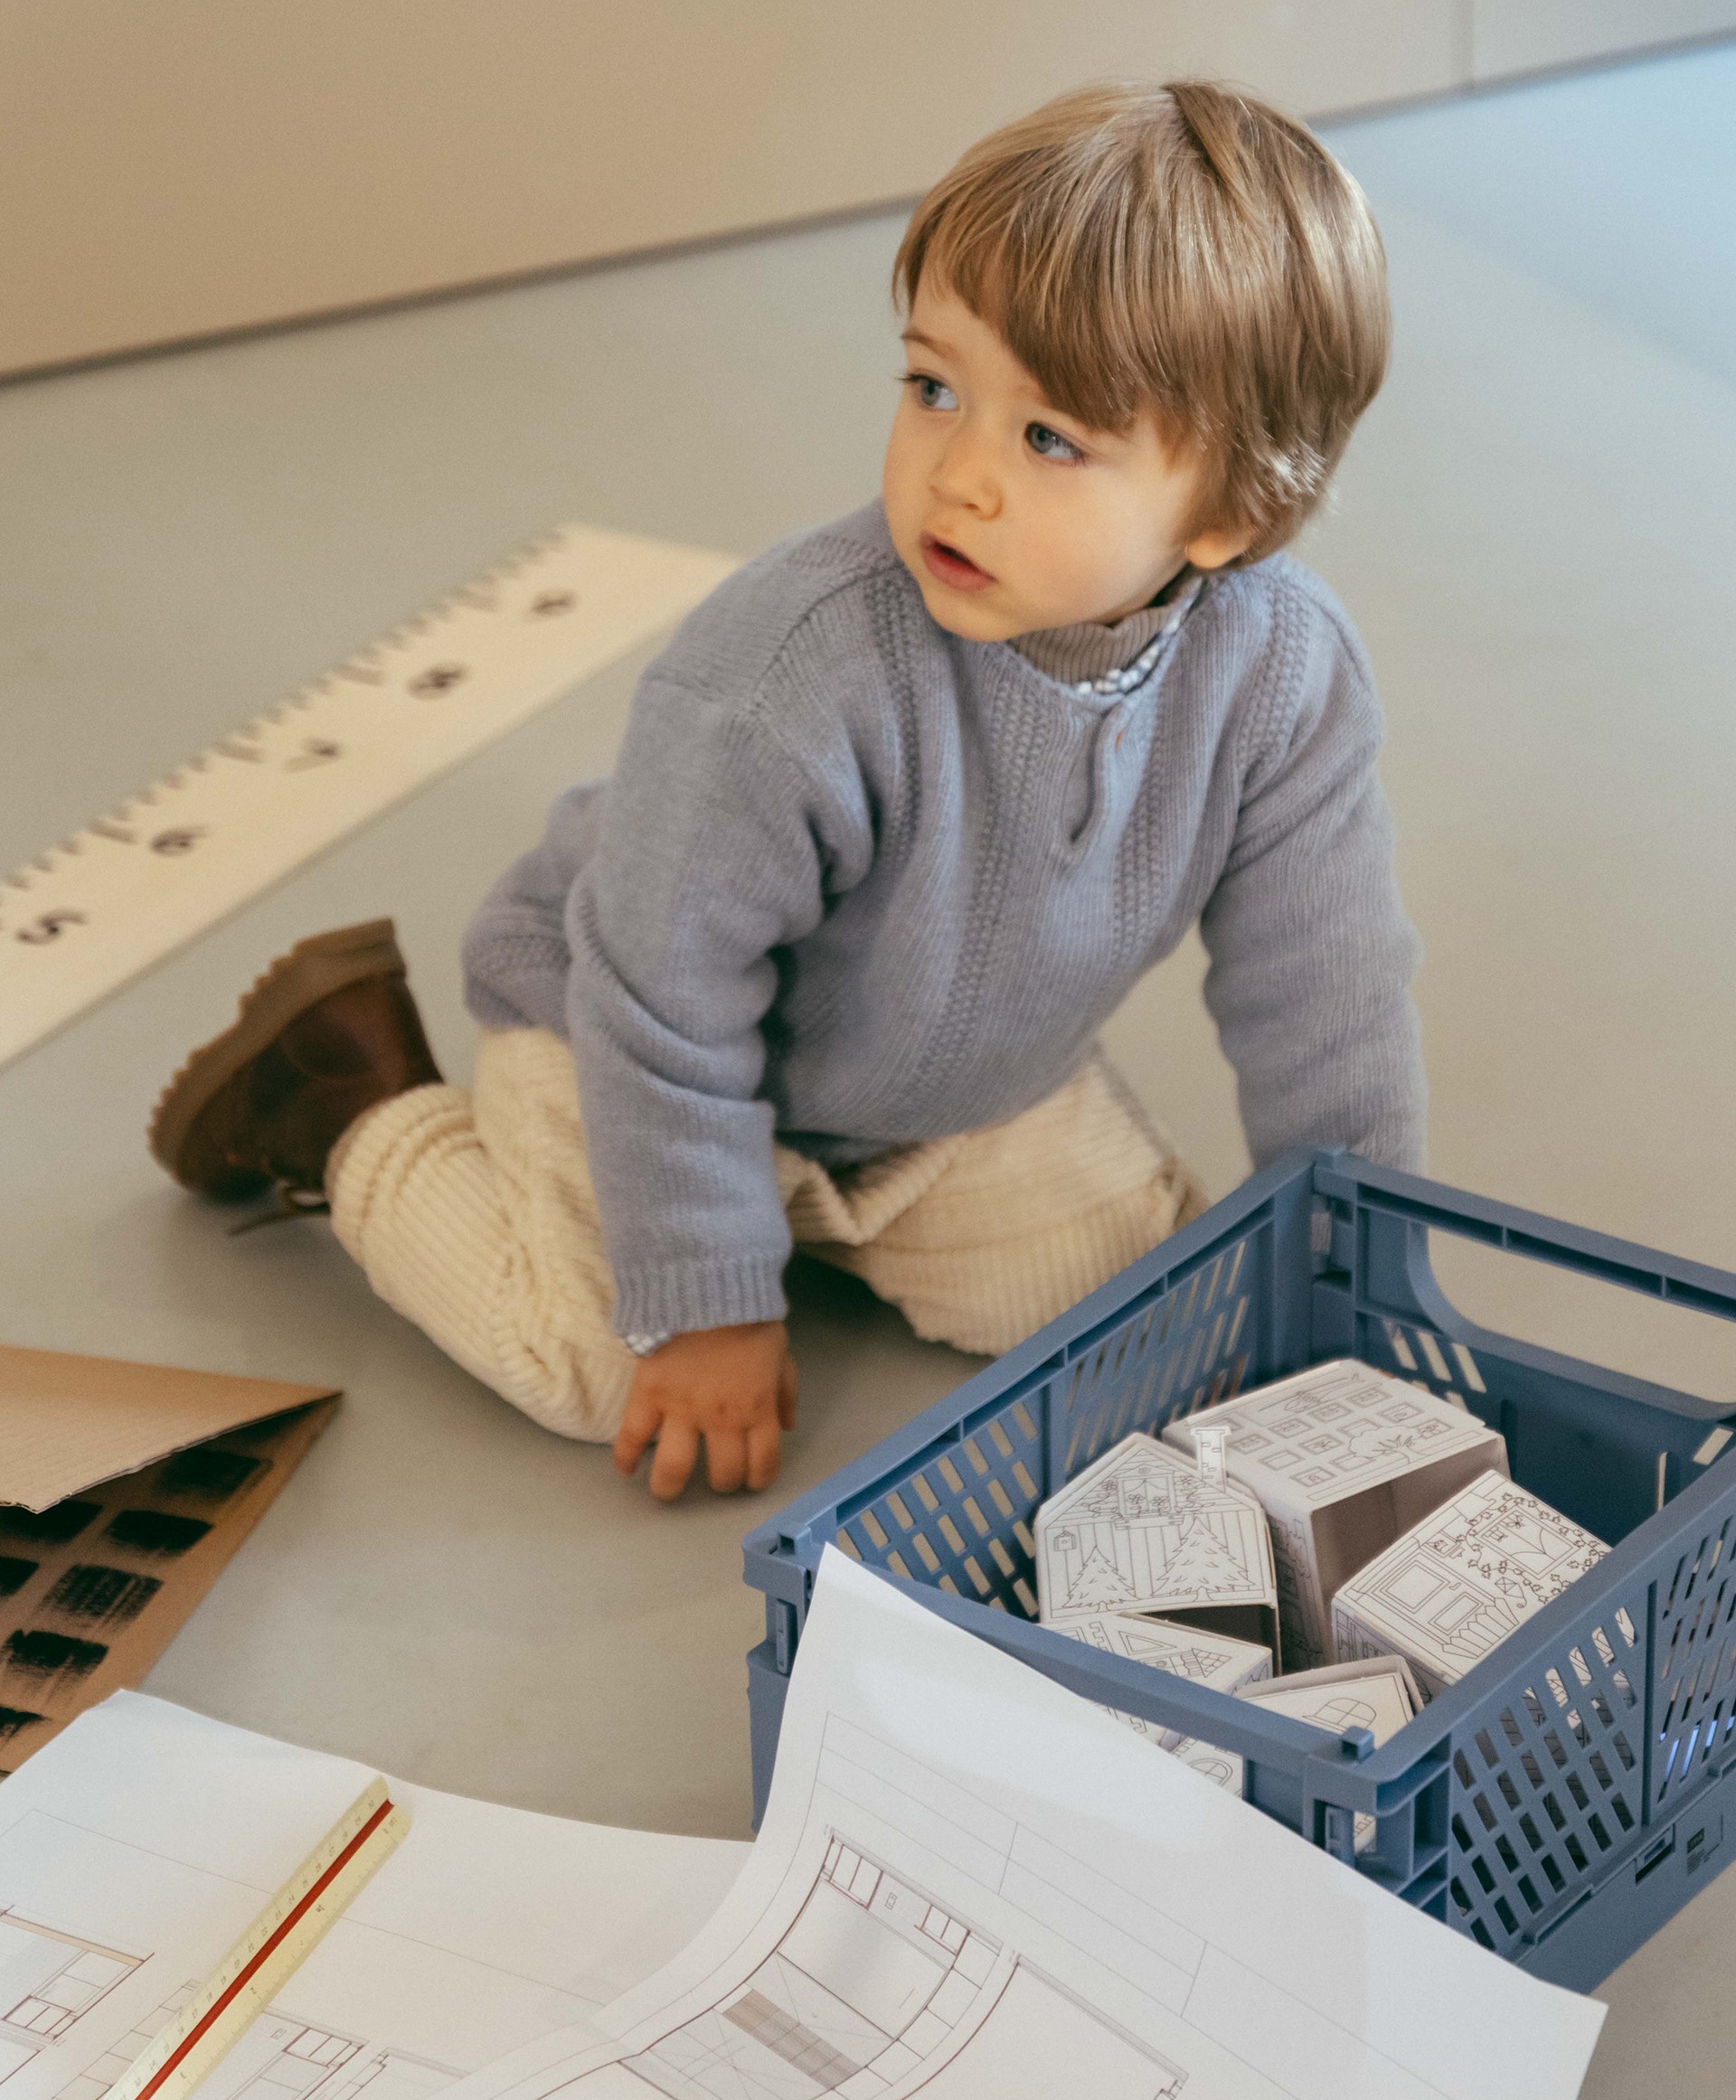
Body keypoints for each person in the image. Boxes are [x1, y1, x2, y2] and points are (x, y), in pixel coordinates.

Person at [148, 79, 1424, 1502]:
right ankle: (346, 1096)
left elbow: (1328, 984)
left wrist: (1353, 1263)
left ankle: (803, 1228)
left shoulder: (1286, 674)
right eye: (936, 389)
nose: (959, 478)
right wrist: (704, 1299)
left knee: (1184, 1335)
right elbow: (660, 990)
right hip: (625, 1045)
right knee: (591, 1364)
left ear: (1232, 513)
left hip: (955, 1108)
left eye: (1049, 439)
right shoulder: (790, 671)